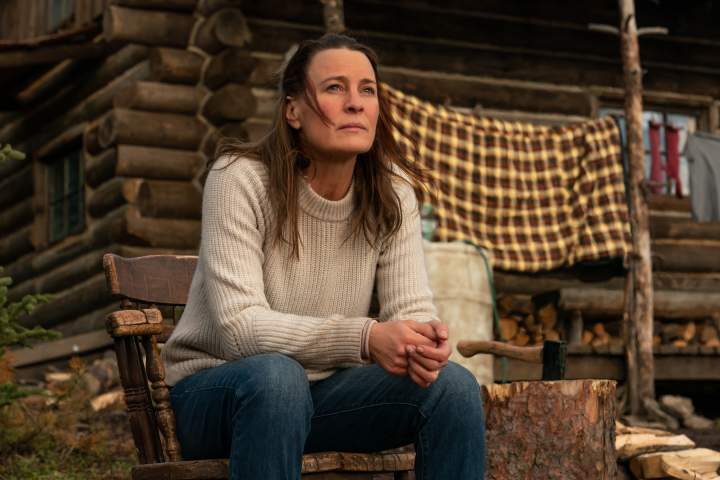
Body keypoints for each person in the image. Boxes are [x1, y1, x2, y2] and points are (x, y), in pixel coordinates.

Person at [161, 33, 485, 479]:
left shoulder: (392, 193)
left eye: (367, 90)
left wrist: (421, 344)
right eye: (335, 87)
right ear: (292, 110)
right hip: (218, 394)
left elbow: (409, 309)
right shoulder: (239, 179)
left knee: (453, 386)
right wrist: (365, 337)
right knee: (278, 379)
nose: (355, 103)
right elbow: (239, 328)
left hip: (325, 399)